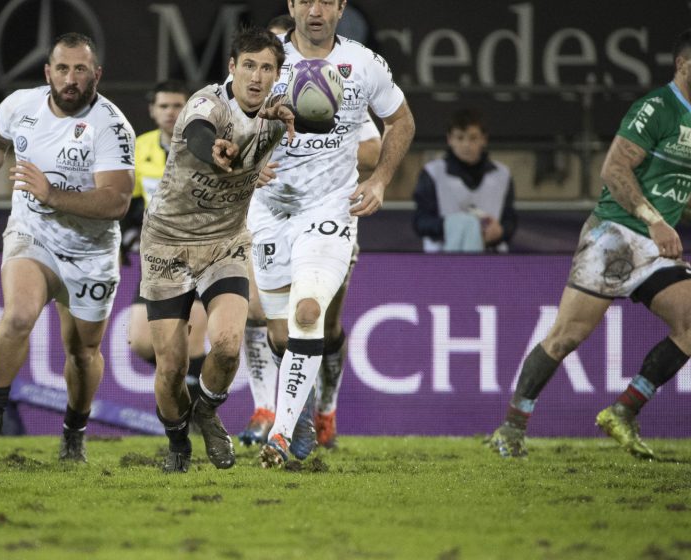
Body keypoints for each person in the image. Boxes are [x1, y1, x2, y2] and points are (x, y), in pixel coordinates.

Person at [489, 28, 691, 460]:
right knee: (566, 337)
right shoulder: (658, 107)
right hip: (616, 236)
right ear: (682, 64)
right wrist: (656, 222)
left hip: (654, 249)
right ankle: (511, 427)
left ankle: (623, 411)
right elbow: (614, 169)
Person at [251, 0, 415, 468]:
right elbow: (229, 118)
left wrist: (381, 179)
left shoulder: (363, 64)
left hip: (330, 211)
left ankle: (280, 436)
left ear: (342, 8)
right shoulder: (266, 62)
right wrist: (247, 159)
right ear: (291, 5)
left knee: (310, 312)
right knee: (280, 335)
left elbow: (401, 121)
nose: (315, 9)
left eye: (326, 0)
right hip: (270, 213)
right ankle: (299, 414)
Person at [0, 33, 135, 463]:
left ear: (97, 74)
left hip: (91, 251)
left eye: (80, 70)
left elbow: (116, 201)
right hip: (32, 233)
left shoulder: (112, 126)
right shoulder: (22, 106)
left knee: (82, 352)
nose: (70, 79)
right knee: (19, 314)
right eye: (62, 69)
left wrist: (53, 194)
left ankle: (74, 431)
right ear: (47, 72)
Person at [142, 27, 301, 473]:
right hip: (168, 243)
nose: (256, 76)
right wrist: (215, 151)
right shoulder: (206, 104)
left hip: (226, 242)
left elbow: (323, 121)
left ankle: (208, 413)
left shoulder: (278, 112)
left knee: (229, 346)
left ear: (276, 74)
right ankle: (178, 443)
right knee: (171, 368)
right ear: (232, 67)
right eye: (248, 65)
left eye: (266, 67)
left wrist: (302, 117)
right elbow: (196, 133)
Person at [125, 81, 209, 399]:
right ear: (152, 110)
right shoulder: (139, 147)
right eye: (164, 106)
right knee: (141, 341)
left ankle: (200, 418)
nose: (171, 112)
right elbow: (131, 202)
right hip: (159, 256)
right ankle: (190, 389)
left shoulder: (206, 145)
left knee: (193, 341)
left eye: (177, 106)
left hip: (202, 252)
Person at [413, 108, 517, 253]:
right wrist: (454, 226)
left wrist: (501, 231)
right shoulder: (432, 173)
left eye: (473, 138)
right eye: (460, 138)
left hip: (492, 262)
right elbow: (421, 222)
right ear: (450, 139)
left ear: (484, 139)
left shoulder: (502, 174)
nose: (466, 144)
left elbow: (510, 219)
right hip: (441, 261)